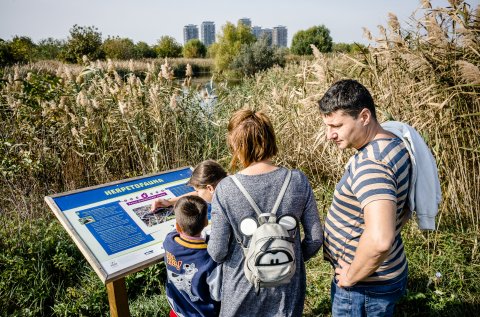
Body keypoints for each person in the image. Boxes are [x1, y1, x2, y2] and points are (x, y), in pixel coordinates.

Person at [207, 109, 323, 317]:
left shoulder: (226, 189)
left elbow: (217, 251)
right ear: (270, 138)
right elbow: (315, 239)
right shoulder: (297, 180)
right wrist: (289, 257)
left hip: (241, 289)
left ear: (236, 145)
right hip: (288, 287)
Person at [317, 79, 412, 316]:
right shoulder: (394, 141)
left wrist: (351, 276)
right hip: (382, 275)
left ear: (365, 117)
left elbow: (380, 240)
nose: (330, 135)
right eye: (327, 126)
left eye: (337, 125)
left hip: (364, 288)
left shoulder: (372, 164)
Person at [163, 195, 222, 317]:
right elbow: (217, 294)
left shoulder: (169, 241)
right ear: (206, 222)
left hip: (177, 310)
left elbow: (177, 231)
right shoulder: (209, 257)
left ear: (178, 226)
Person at [151, 160, 227, 217]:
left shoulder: (226, 206)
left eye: (197, 190)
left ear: (210, 188)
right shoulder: (225, 187)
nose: (198, 194)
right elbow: (197, 194)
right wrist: (170, 202)